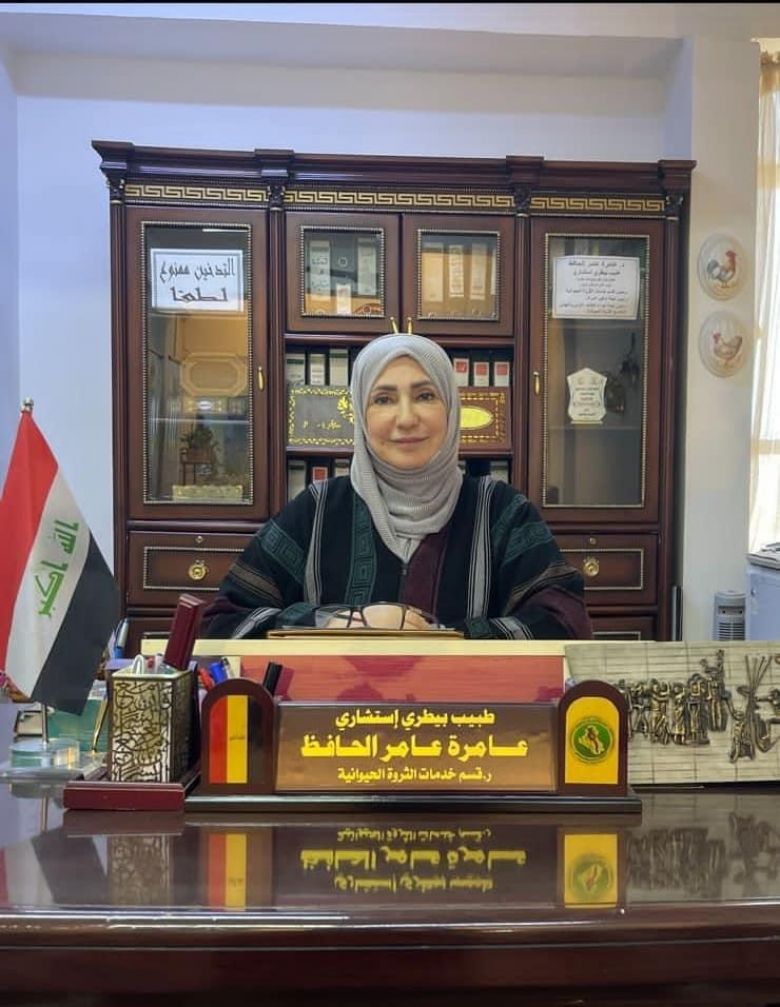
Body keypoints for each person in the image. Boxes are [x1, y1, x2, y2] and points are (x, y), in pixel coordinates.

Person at [203, 332, 593, 640]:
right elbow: (223, 623)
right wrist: (341, 622)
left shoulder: (501, 512)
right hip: (334, 717)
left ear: (451, 407)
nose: (406, 418)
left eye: (425, 395)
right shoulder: (316, 511)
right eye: (384, 399)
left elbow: (565, 622)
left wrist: (443, 637)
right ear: (360, 414)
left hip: (470, 716)